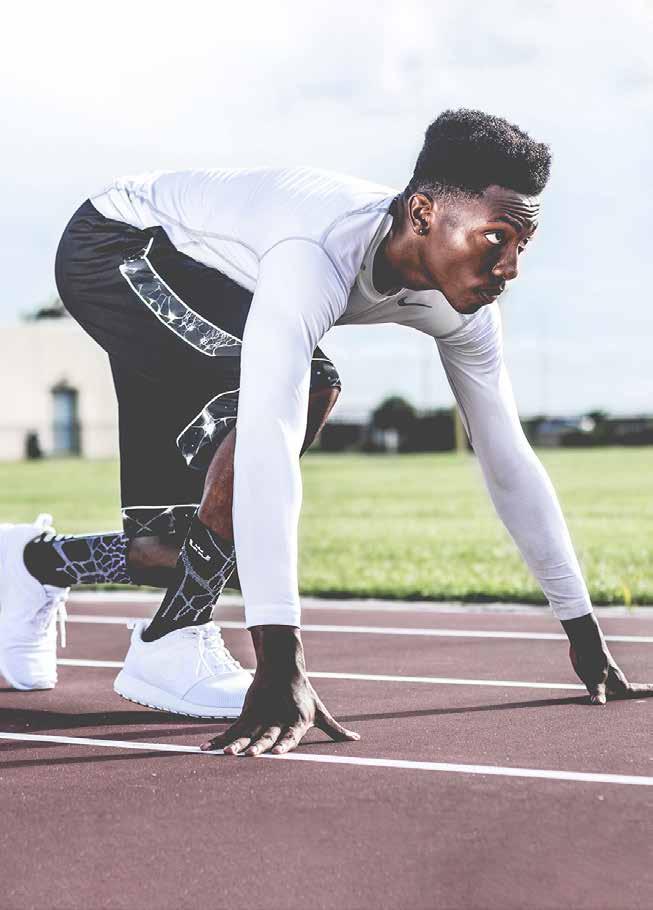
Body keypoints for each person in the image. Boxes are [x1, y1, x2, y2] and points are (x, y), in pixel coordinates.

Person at [1, 109, 650, 757]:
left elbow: (508, 461)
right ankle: (172, 639)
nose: (509, 266)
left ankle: (33, 563)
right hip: (118, 246)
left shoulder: (468, 310)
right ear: (422, 213)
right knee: (308, 387)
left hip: (206, 277)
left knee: (168, 550)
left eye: (522, 245)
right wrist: (279, 662)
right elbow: (268, 438)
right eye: (495, 238)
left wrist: (584, 635)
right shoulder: (315, 251)